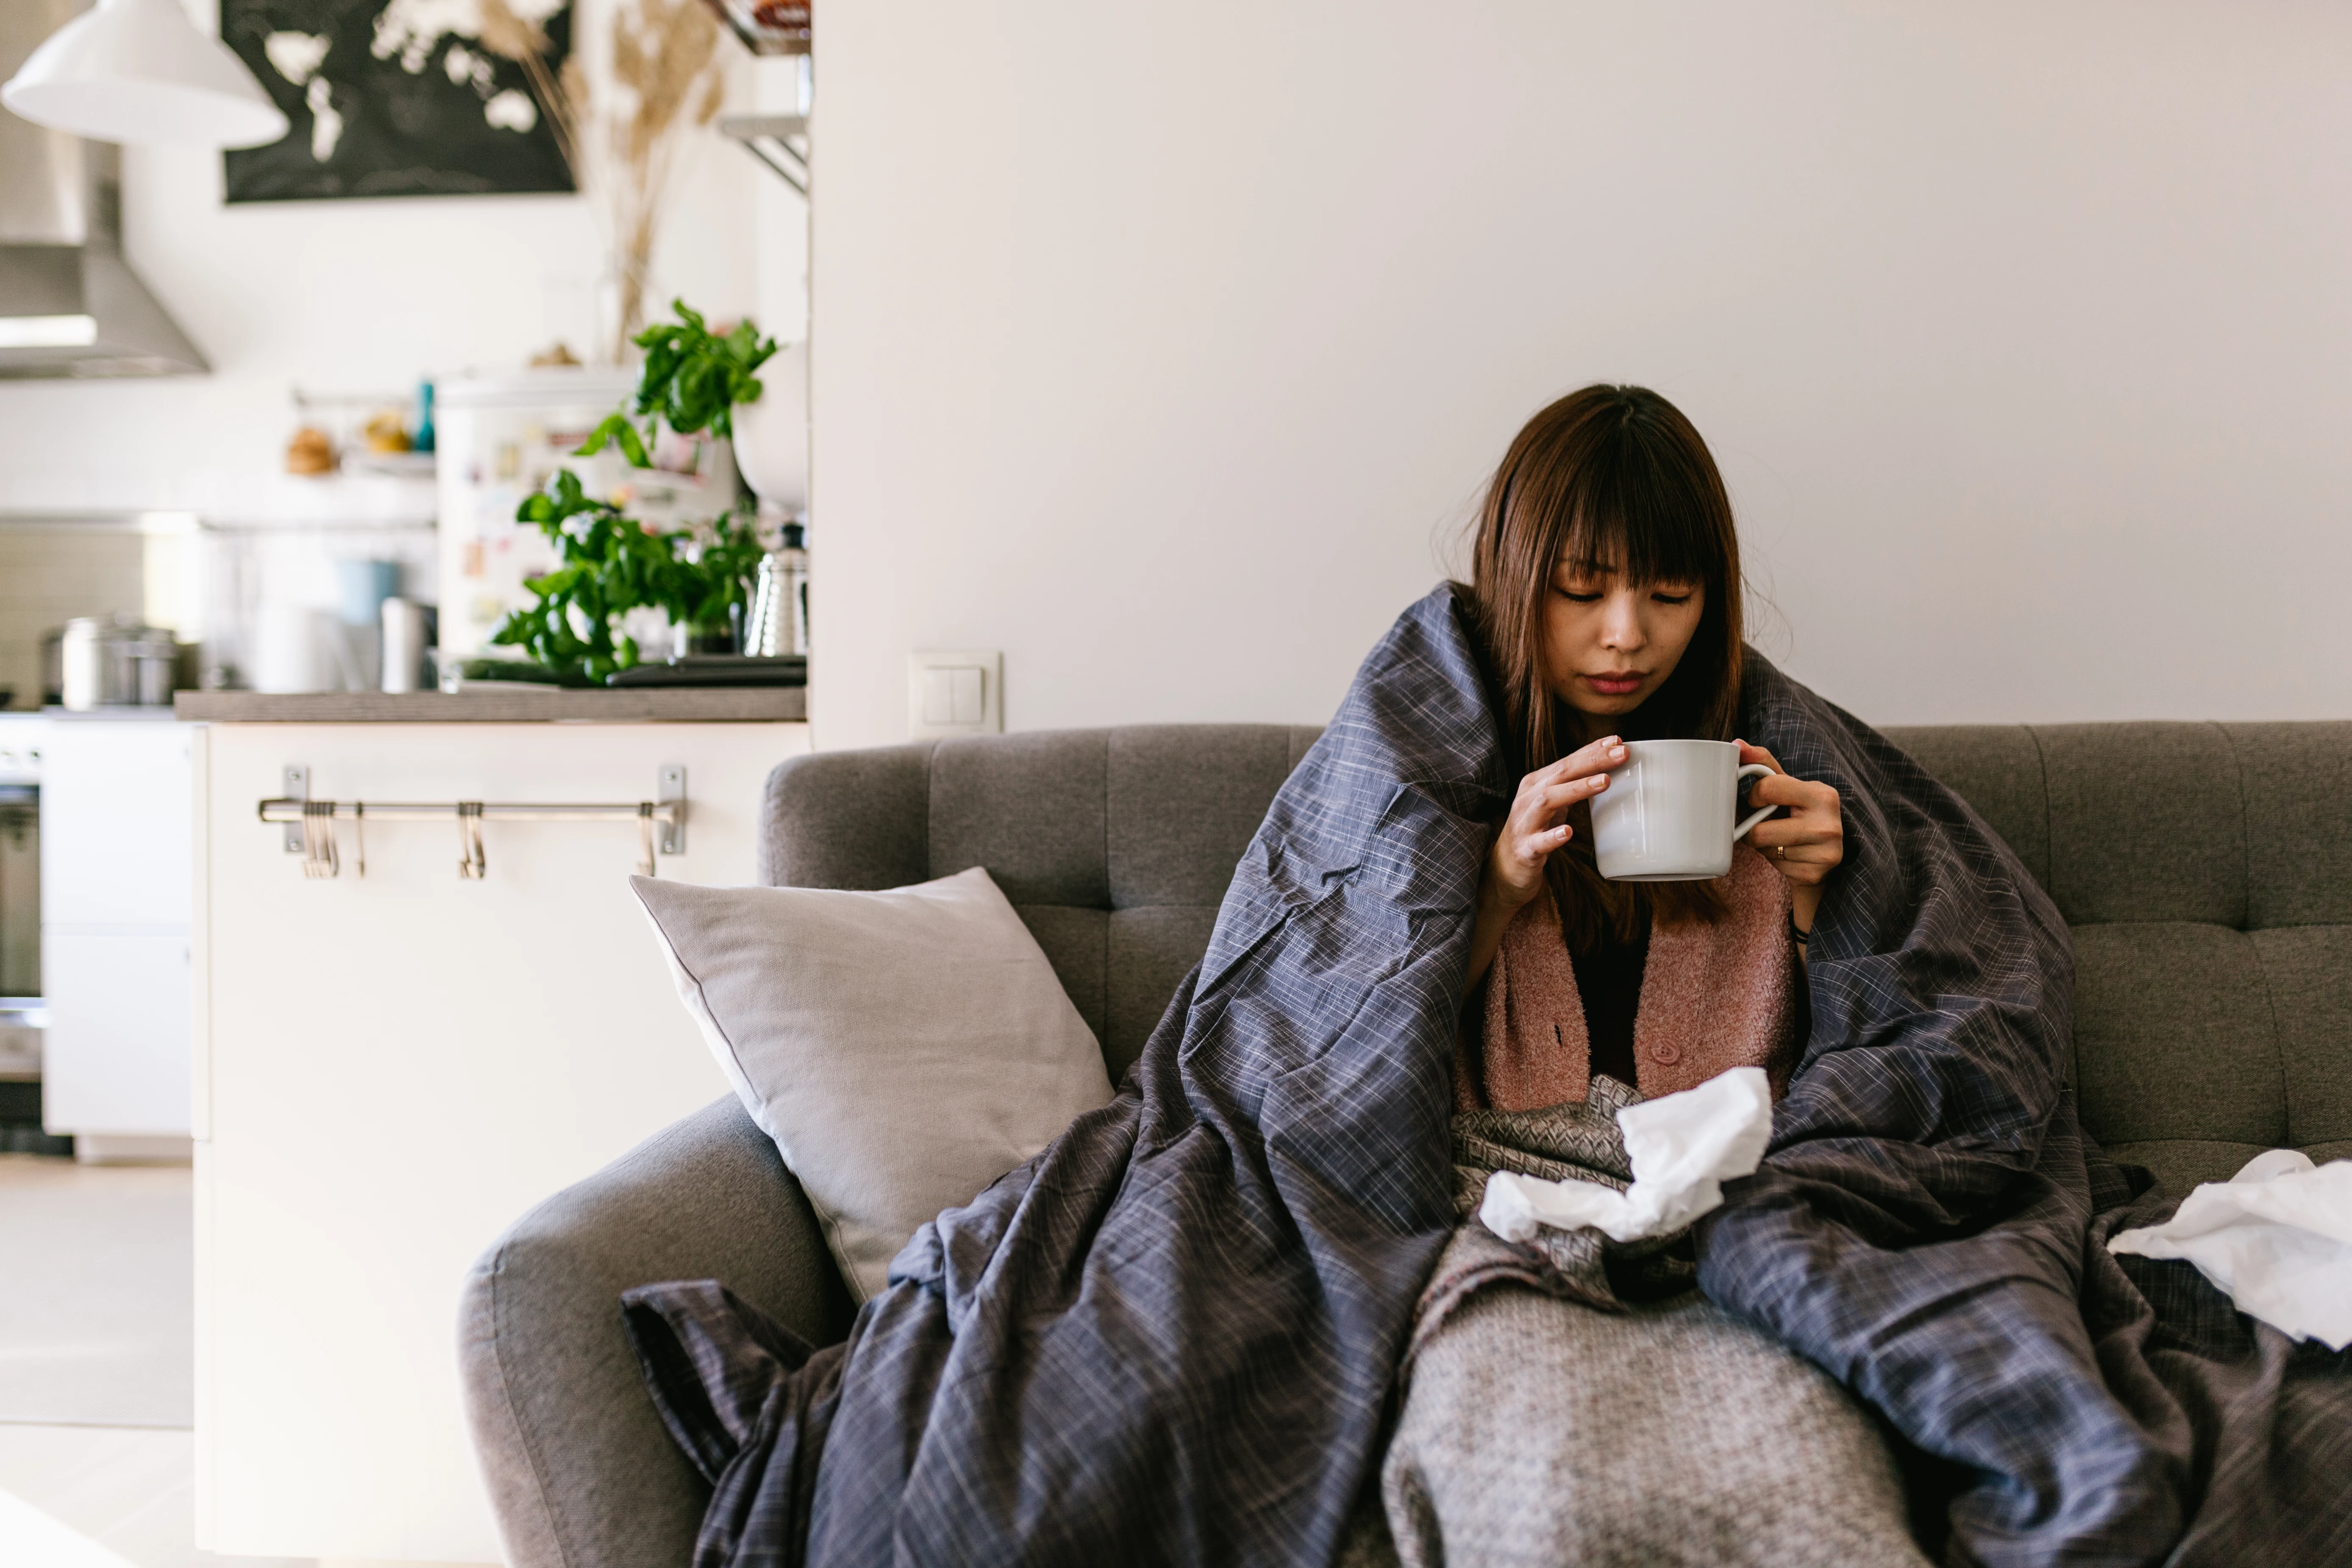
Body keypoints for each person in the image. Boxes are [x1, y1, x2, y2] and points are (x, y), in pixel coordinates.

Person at [1458, 383, 1843, 1107]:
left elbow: (1852, 1050)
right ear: (1514, 579)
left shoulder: (1757, 761)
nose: (1627, 637)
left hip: (1734, 1175)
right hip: (1511, 1175)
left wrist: (1814, 899)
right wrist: (1499, 887)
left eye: (1669, 596)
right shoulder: (1445, 773)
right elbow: (1373, 1032)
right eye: (1580, 590)